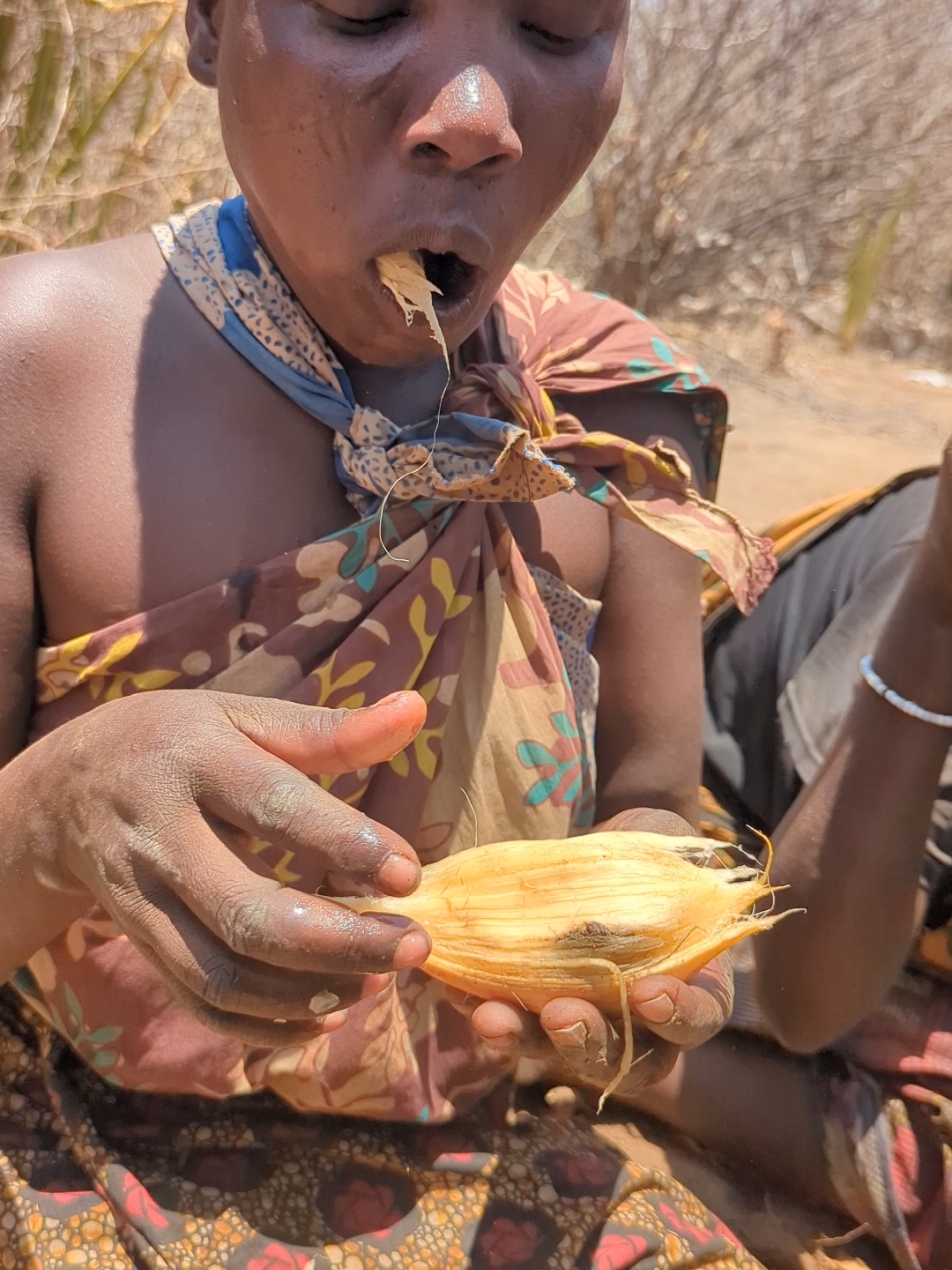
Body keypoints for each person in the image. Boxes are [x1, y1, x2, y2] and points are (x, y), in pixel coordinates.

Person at [0, 2, 778, 1268]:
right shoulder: (29, 367)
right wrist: (55, 812)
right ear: (207, 29)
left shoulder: (611, 414)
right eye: (363, 11)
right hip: (64, 1117)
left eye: (558, 24)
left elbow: (653, 796)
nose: (472, 118)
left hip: (459, 1146)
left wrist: (627, 949)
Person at [633, 455, 952, 1269]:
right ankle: (640, 1059)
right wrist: (937, 621)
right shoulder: (929, 595)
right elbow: (808, 999)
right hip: (757, 844)